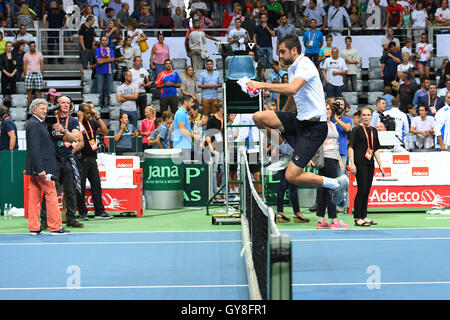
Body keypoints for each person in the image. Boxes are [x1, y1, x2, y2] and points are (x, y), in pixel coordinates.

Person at [247, 34, 349, 204]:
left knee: (291, 176)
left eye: (282, 52)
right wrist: (282, 116)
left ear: (294, 50)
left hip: (314, 128)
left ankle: (335, 184)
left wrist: (261, 84)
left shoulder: (305, 65)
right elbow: (295, 97)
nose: (279, 55)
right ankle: (288, 151)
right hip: (299, 120)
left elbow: (293, 89)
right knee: (259, 117)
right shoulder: (293, 68)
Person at [25, 98, 70, 235]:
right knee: (51, 194)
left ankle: (34, 227)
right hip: (42, 168)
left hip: (36, 169)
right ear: (34, 110)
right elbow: (35, 148)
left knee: (34, 197)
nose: (45, 111)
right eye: (42, 109)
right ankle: (55, 227)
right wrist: (40, 169)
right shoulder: (34, 124)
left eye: (45, 108)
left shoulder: (38, 123)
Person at [45, 96, 84, 228]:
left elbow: (75, 138)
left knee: (69, 190)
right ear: (57, 105)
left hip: (67, 158)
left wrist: (62, 130)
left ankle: (71, 218)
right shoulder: (49, 119)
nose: (66, 105)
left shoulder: (73, 120)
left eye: (68, 102)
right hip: (53, 159)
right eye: (63, 102)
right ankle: (45, 220)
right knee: (51, 191)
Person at [348, 106, 384, 227]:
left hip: (370, 164)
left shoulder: (374, 130)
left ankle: (364, 215)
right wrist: (352, 164)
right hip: (359, 163)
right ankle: (357, 217)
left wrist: (381, 165)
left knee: (367, 190)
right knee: (361, 190)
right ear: (360, 117)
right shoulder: (356, 129)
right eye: (364, 115)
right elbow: (351, 147)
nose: (366, 117)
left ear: (371, 116)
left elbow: (376, 150)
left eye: (368, 115)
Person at [76, 103, 112, 220]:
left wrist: (97, 117)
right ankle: (83, 212)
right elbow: (76, 135)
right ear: (80, 113)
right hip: (81, 158)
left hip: (92, 157)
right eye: (86, 113)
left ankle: (99, 211)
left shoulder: (92, 122)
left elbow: (105, 131)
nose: (89, 115)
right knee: (80, 186)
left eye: (90, 113)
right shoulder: (76, 123)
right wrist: (80, 120)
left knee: (96, 184)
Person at [315, 101, 348, 229]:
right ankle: (334, 220)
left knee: (324, 190)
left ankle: (321, 220)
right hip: (325, 159)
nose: (327, 110)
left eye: (329, 108)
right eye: (325, 109)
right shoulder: (320, 124)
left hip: (333, 158)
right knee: (333, 188)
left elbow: (335, 144)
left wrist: (339, 159)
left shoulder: (332, 124)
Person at [96, 36, 124, 109]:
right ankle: (99, 105)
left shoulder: (110, 49)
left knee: (110, 90)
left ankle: (109, 105)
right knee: (100, 90)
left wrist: (103, 59)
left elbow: (111, 59)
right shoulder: (98, 49)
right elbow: (99, 61)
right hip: (100, 72)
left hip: (109, 71)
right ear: (100, 41)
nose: (105, 41)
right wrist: (109, 59)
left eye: (106, 40)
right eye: (103, 40)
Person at [173, 95, 201, 161]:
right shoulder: (181, 113)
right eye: (191, 102)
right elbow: (182, 130)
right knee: (183, 169)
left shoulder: (184, 113)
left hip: (185, 145)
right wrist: (194, 136)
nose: (192, 104)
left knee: (185, 169)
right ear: (185, 102)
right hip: (181, 146)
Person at [253, 12, 276, 80]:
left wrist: (267, 27)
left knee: (270, 63)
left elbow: (273, 34)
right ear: (260, 19)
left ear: (267, 18)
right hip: (260, 47)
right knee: (261, 64)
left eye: (264, 17)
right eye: (262, 17)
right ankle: (262, 78)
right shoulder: (257, 27)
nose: (263, 18)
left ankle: (270, 78)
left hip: (269, 46)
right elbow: (254, 36)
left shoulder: (270, 26)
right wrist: (256, 44)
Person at [22, 41, 44, 106]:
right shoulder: (26, 55)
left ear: (35, 47)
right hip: (29, 74)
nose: (32, 47)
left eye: (33, 46)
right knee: (29, 91)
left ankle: (39, 106)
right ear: (29, 47)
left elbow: (42, 65)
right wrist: (25, 73)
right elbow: (24, 65)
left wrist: (41, 73)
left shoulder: (39, 54)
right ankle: (29, 106)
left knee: (38, 91)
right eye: (31, 46)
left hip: (38, 73)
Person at [129, 56, 151, 120]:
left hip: (143, 94)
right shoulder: (130, 71)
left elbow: (148, 84)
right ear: (134, 62)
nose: (139, 62)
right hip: (134, 94)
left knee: (144, 114)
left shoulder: (144, 71)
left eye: (140, 61)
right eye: (137, 61)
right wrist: (135, 86)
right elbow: (127, 84)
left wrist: (145, 85)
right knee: (133, 113)